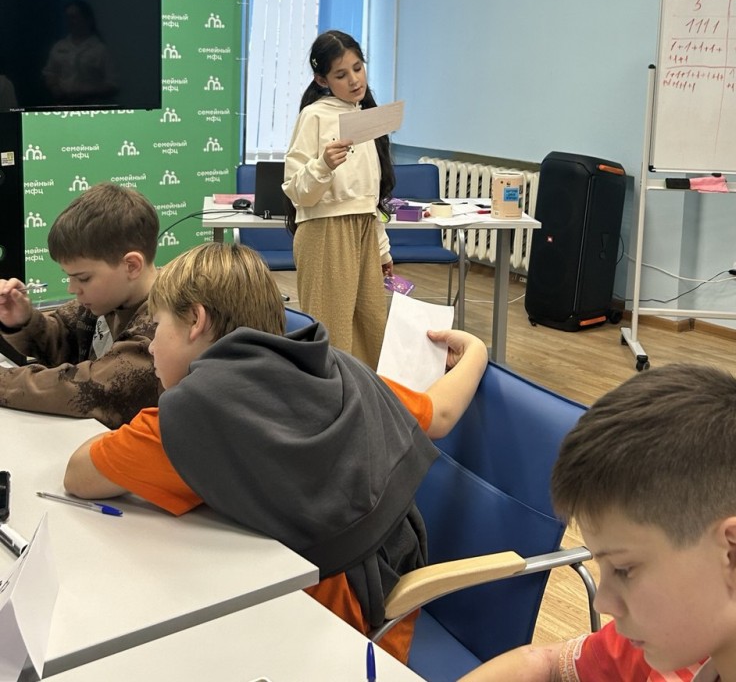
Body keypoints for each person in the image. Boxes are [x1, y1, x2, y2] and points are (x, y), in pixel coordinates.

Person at [64, 242, 488, 663]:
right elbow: (440, 414)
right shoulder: (337, 368)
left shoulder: (188, 418)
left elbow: (79, 475)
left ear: (196, 320)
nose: (152, 347)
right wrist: (477, 352)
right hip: (383, 600)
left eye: (157, 328)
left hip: (324, 639)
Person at [458, 362, 736, 682]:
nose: (602, 602)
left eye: (624, 569)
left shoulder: (682, 631)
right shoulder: (687, 635)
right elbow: (546, 663)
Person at [0, 182, 160, 428]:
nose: (72, 289)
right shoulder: (106, 300)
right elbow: (62, 338)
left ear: (131, 266)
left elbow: (88, 390)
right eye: (69, 277)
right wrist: (24, 320)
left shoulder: (162, 325)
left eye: (83, 278)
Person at [283, 30, 395, 370]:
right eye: (341, 74)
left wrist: (381, 249)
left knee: (371, 327)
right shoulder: (314, 116)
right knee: (331, 329)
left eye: (358, 68)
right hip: (325, 233)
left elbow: (369, 198)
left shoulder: (364, 116)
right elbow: (296, 189)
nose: (354, 80)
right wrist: (323, 165)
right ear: (322, 80)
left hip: (363, 232)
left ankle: (365, 396)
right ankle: (329, 396)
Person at [41, 0, 118, 104]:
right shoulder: (59, 46)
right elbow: (49, 72)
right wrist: (55, 88)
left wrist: (86, 93)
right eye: (67, 17)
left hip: (91, 105)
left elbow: (113, 84)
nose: (69, 21)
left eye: (73, 17)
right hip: (63, 104)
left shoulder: (100, 49)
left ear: (88, 19)